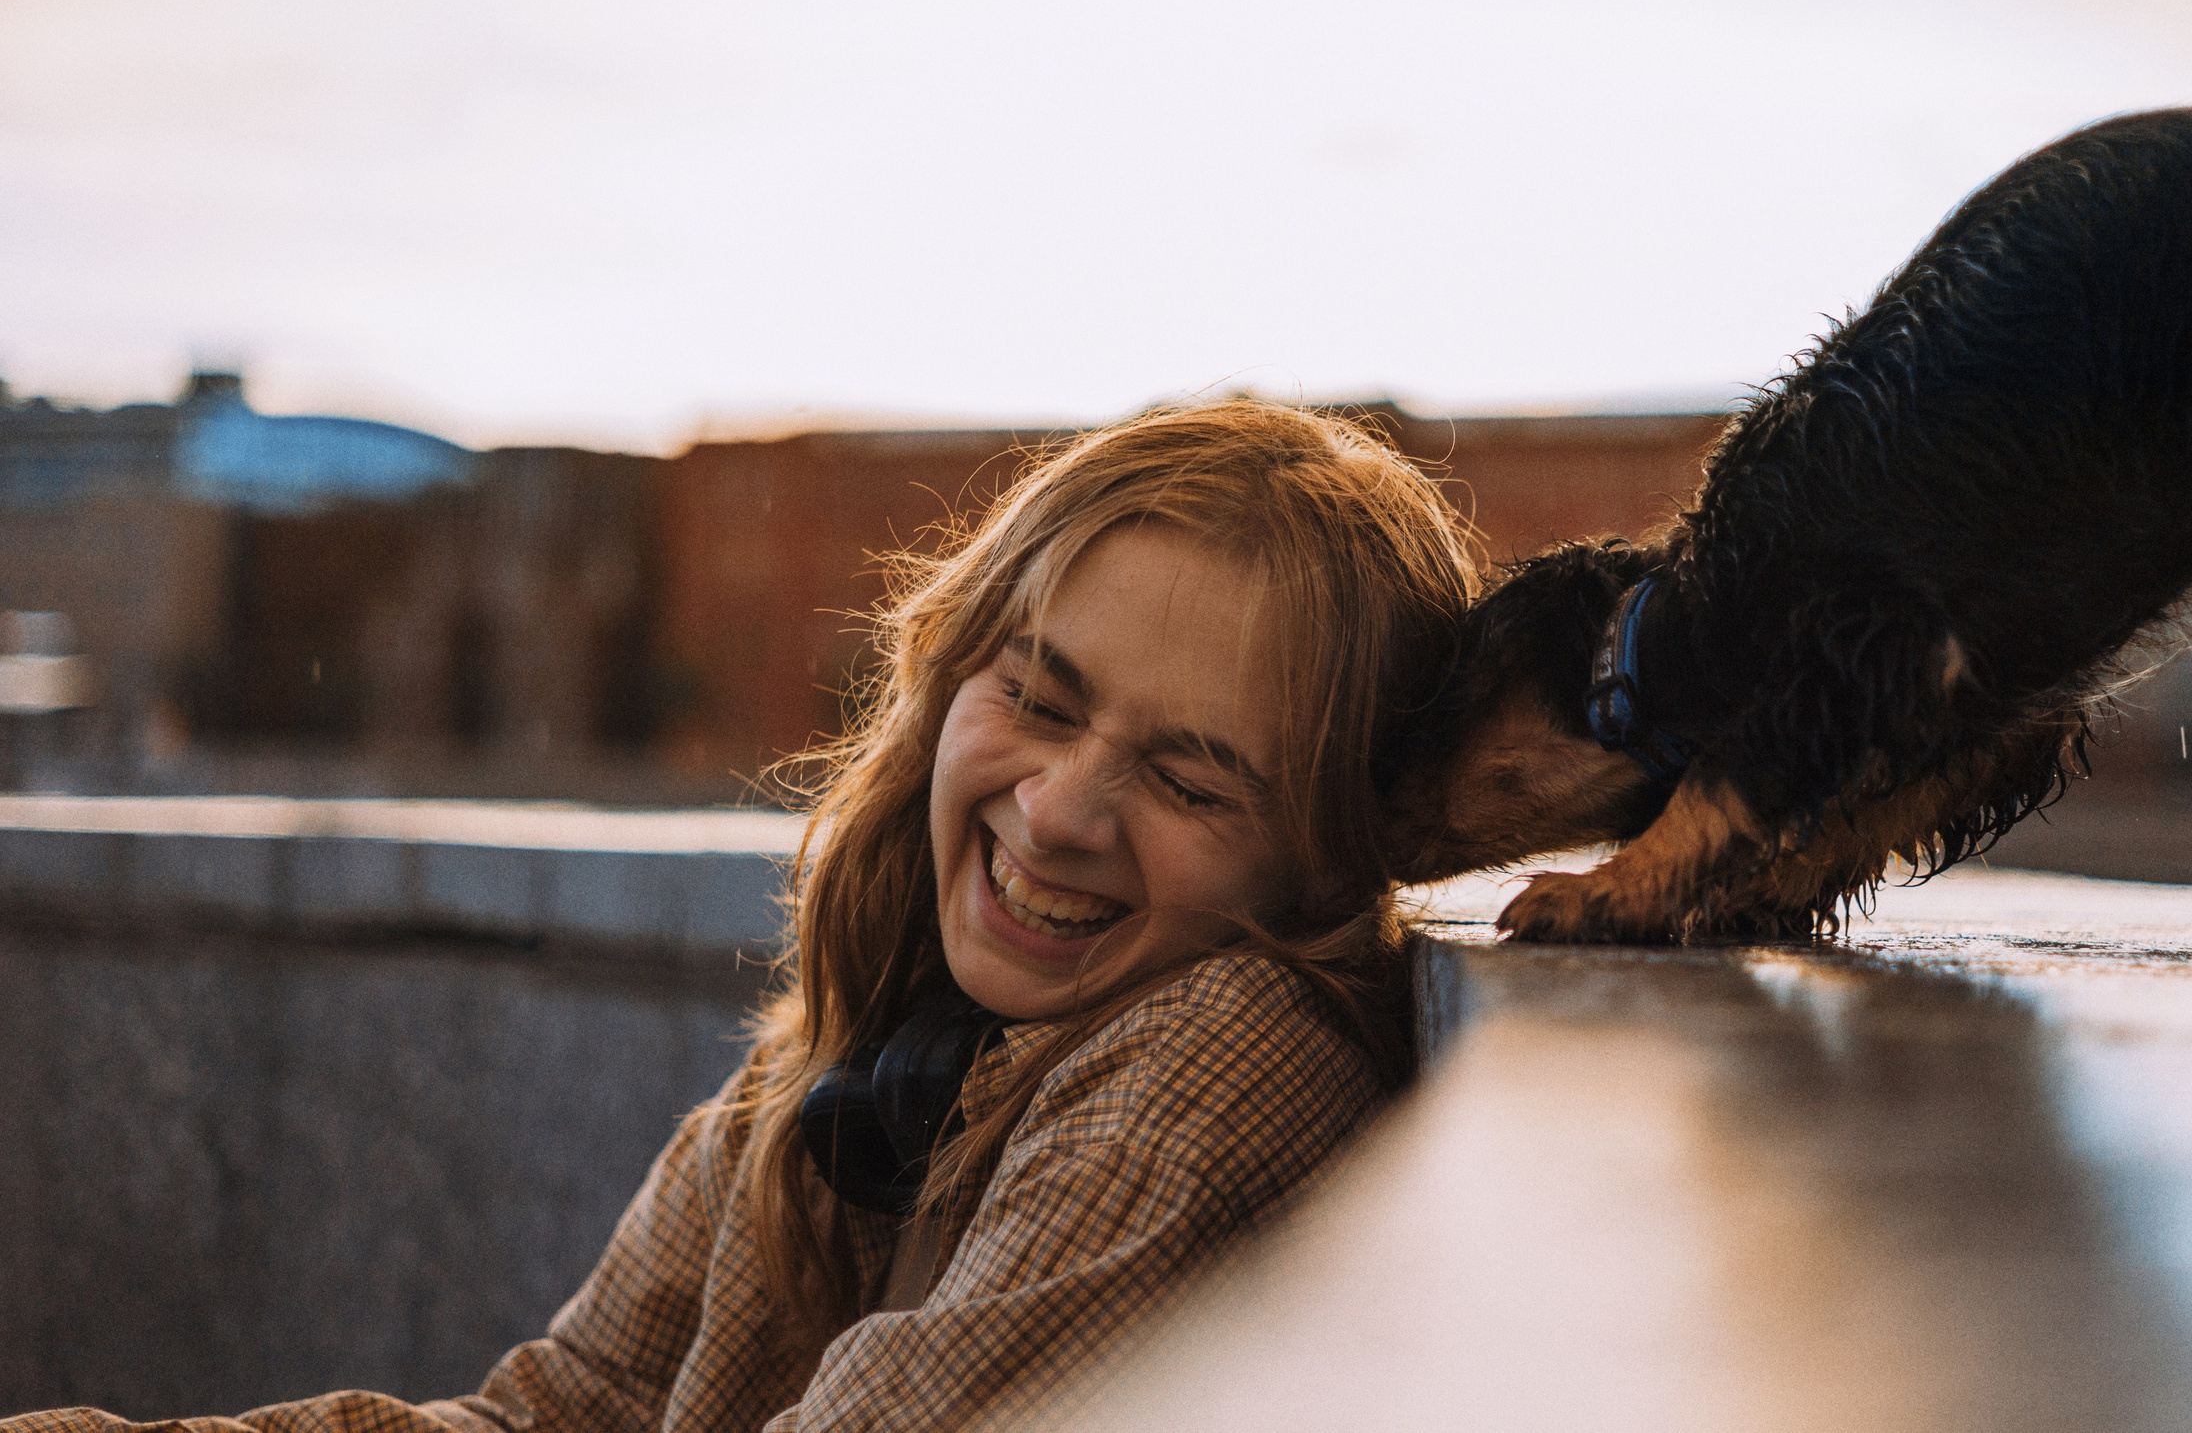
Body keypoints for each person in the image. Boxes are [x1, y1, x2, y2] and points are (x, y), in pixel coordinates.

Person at [5, 399, 1479, 1433]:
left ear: (1326, 859)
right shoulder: (889, 1040)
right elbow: (559, 1412)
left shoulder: (1225, 1059)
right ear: (950, 676)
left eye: (1189, 777)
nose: (1059, 810)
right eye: (1038, 696)